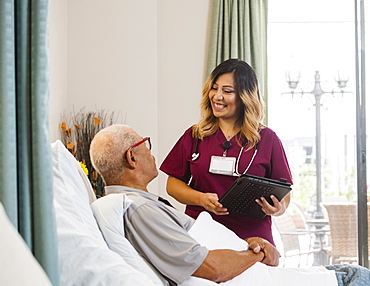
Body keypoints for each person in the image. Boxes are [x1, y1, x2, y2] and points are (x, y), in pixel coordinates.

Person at [89, 124, 280, 285]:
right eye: (145, 144)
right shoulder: (140, 209)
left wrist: (249, 244)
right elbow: (212, 268)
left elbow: (196, 250)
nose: (150, 150)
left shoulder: (141, 204)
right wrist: (259, 255)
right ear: (132, 157)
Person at [160, 59, 292, 245]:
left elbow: (284, 193)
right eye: (214, 88)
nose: (217, 96)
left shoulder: (267, 139)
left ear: (245, 97)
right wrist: (200, 198)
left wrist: (278, 209)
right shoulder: (195, 135)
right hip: (203, 235)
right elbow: (172, 184)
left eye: (227, 91)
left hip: (252, 240)